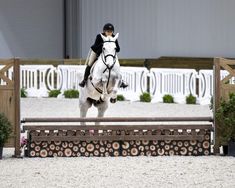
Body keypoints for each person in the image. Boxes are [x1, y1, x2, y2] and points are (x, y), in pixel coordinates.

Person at [79, 23, 128, 88]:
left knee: (116, 64)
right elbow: (95, 47)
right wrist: (103, 44)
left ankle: (121, 81)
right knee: (90, 63)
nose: (109, 33)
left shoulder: (114, 38)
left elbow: (118, 49)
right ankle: (84, 80)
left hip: (108, 54)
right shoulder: (99, 36)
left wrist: (113, 46)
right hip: (97, 52)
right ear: (104, 31)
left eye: (111, 32)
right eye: (108, 31)